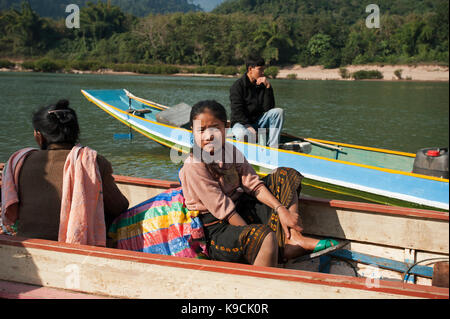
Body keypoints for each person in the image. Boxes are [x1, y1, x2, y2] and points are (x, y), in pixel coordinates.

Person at [179, 100, 339, 267]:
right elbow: (225, 211)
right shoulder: (193, 165)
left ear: (226, 127)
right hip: (217, 229)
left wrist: (281, 210)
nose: (208, 136)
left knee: (286, 175)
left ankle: (293, 239)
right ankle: (275, 250)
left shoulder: (230, 151)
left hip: (241, 208)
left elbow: (253, 184)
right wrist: (254, 238)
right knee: (263, 237)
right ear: (193, 130)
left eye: (215, 128)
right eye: (201, 130)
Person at [0, 99, 129, 246]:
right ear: (75, 133)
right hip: (80, 248)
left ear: (39, 136)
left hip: (27, 243)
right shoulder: (94, 162)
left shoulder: (19, 162)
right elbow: (119, 206)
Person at [230, 57, 284, 148]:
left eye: (263, 69)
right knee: (242, 134)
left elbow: (268, 108)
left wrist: (268, 87)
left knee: (278, 112)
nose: (263, 72)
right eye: (260, 69)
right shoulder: (237, 86)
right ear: (250, 69)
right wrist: (248, 126)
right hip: (241, 123)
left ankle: (273, 147)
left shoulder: (262, 84)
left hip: (258, 122)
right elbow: (237, 111)